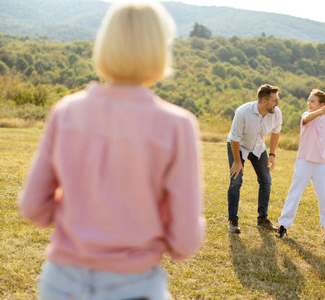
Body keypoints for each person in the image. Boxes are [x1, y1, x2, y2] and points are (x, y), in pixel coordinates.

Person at [18, 2, 205, 299]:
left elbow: (32, 206)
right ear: (160, 48)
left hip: (60, 281)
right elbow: (184, 241)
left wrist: (82, 215)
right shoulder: (177, 124)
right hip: (135, 284)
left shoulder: (66, 111)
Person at [275, 89, 325, 242]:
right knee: (295, 193)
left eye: (312, 101)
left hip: (320, 164)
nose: (308, 103)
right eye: (308, 101)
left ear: (322, 104)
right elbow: (307, 119)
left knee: (324, 196)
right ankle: (283, 226)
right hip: (304, 161)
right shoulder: (306, 116)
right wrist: (319, 111)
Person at [226, 84, 282, 233]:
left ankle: (262, 219)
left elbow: (276, 132)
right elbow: (235, 139)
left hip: (258, 147)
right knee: (236, 181)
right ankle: (233, 220)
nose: (278, 103)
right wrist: (237, 162)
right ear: (264, 101)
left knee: (266, 180)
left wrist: (272, 154)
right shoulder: (242, 112)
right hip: (239, 146)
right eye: (275, 100)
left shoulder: (276, 113)